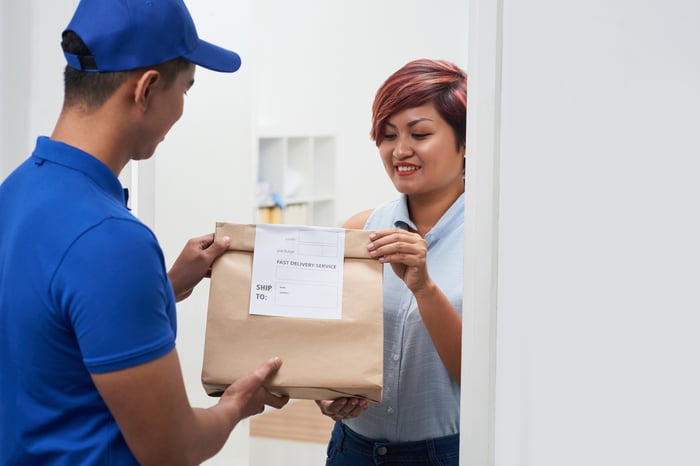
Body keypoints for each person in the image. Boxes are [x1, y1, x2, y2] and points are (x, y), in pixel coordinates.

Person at [0, 1, 289, 464]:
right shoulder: (111, 240)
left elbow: (52, 325)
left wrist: (166, 284)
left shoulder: (15, 190)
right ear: (148, 88)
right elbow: (172, 448)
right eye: (186, 90)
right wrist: (237, 404)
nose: (181, 110)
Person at [316, 58, 466, 465]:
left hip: (444, 454)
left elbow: (480, 379)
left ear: (466, 142)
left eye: (420, 133)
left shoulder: (492, 244)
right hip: (353, 450)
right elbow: (324, 345)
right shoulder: (360, 230)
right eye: (387, 135)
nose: (400, 150)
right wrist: (326, 395)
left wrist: (424, 287)